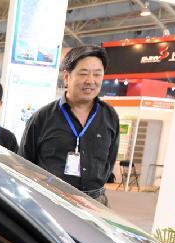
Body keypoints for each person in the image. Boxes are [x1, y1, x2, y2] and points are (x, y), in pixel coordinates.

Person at [20, 45, 120, 206]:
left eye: (97, 74)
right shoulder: (42, 118)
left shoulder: (110, 116)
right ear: (67, 77)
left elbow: (109, 161)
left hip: (96, 203)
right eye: (83, 73)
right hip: (51, 202)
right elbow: (25, 163)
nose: (90, 81)